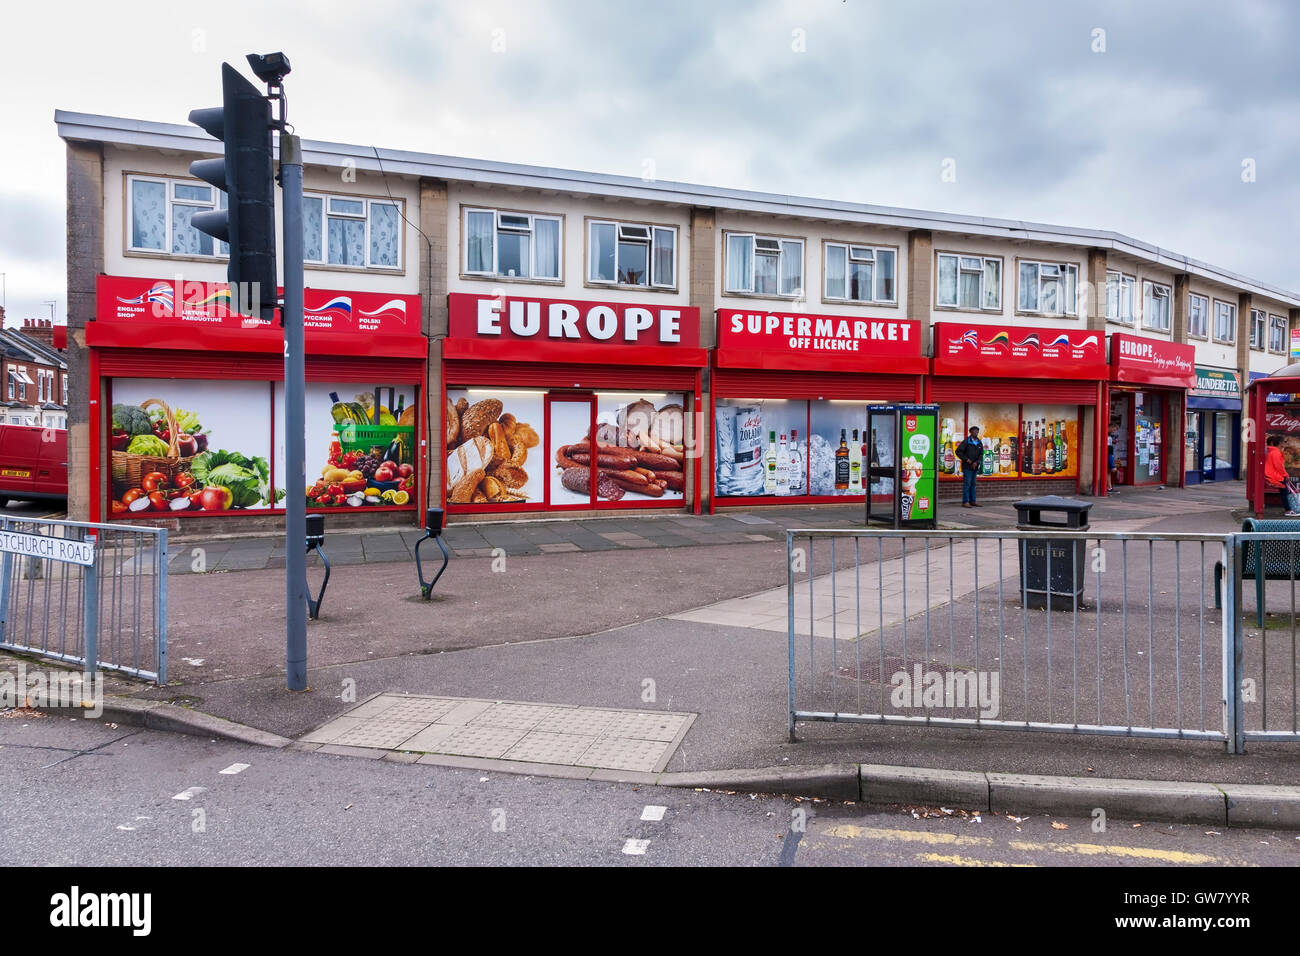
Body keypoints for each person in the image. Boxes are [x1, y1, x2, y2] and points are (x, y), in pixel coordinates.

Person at [1264, 435, 1300, 516]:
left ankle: (1289, 509)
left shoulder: (1272, 451)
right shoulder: (1276, 452)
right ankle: (1288, 510)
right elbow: (1279, 466)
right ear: (1280, 443)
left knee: (1284, 492)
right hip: (1276, 476)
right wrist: (1285, 475)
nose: (1285, 443)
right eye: (1284, 442)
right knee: (1285, 492)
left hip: (1272, 474)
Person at [957, 425, 983, 508]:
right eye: (974, 431)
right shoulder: (966, 441)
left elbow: (981, 454)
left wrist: (977, 462)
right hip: (967, 467)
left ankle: (973, 501)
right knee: (967, 484)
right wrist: (966, 459)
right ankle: (965, 501)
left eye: (977, 431)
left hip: (975, 466)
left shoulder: (979, 442)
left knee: (973, 484)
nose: (976, 433)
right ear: (970, 432)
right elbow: (958, 451)